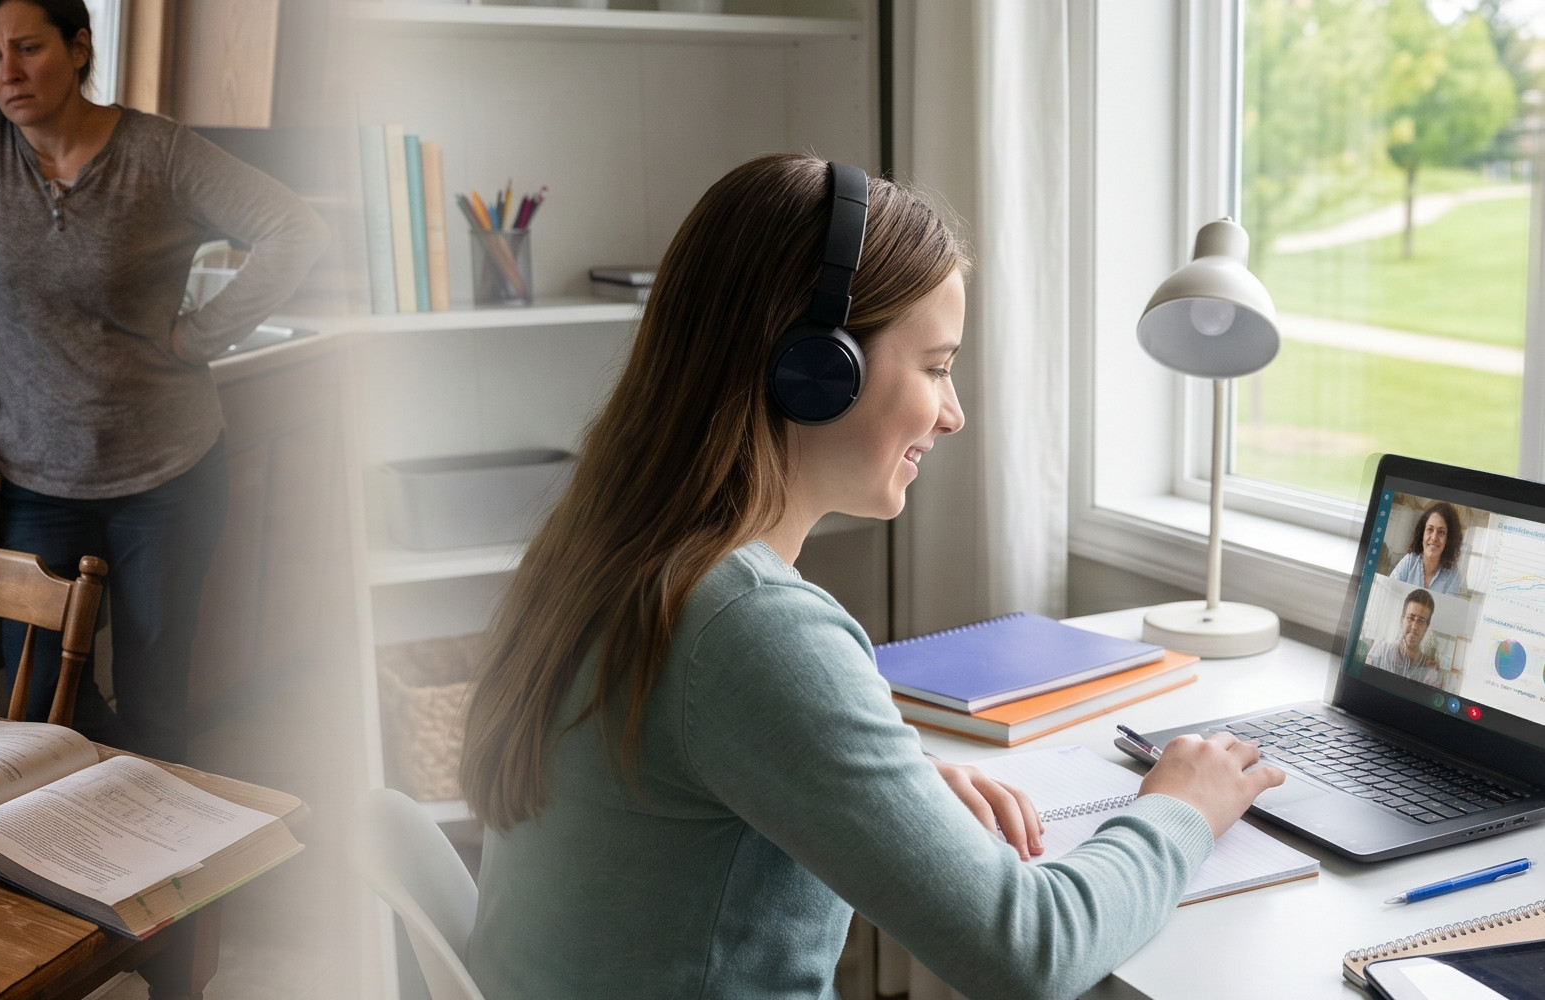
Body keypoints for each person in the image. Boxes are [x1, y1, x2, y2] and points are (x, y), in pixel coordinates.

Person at [458, 155, 1286, 1000]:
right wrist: (1180, 808)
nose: (952, 414)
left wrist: (892, 789)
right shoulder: (746, 625)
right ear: (817, 369)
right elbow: (1031, 954)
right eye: (935, 367)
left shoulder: (606, 548)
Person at [0, 0, 327, 763]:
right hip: (42, 479)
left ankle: (142, 821)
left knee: (154, 703)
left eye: (29, 48)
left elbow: (294, 228)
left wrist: (198, 334)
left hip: (166, 474)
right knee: (37, 698)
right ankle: (84, 804)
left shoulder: (157, 152)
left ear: (79, 46)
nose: (9, 72)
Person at [1370, 588, 1448, 688]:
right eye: (1411, 618)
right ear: (1402, 620)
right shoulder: (1379, 652)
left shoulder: (1431, 672)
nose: (1414, 626)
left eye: (1421, 621)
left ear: (1426, 627)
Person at [1391, 502, 1466, 597]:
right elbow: (1389, 593)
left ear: (1449, 539)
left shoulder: (1453, 575)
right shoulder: (1409, 561)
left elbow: (1449, 606)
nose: (1434, 537)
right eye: (1430, 529)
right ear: (1422, 533)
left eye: (1441, 532)